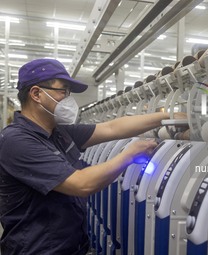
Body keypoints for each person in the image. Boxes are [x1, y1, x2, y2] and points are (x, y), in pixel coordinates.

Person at [0, 58, 185, 255]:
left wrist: (167, 117)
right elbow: (82, 184)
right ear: (36, 94)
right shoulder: (17, 141)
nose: (68, 99)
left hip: (71, 247)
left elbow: (112, 127)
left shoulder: (60, 133)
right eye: (63, 91)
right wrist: (129, 155)